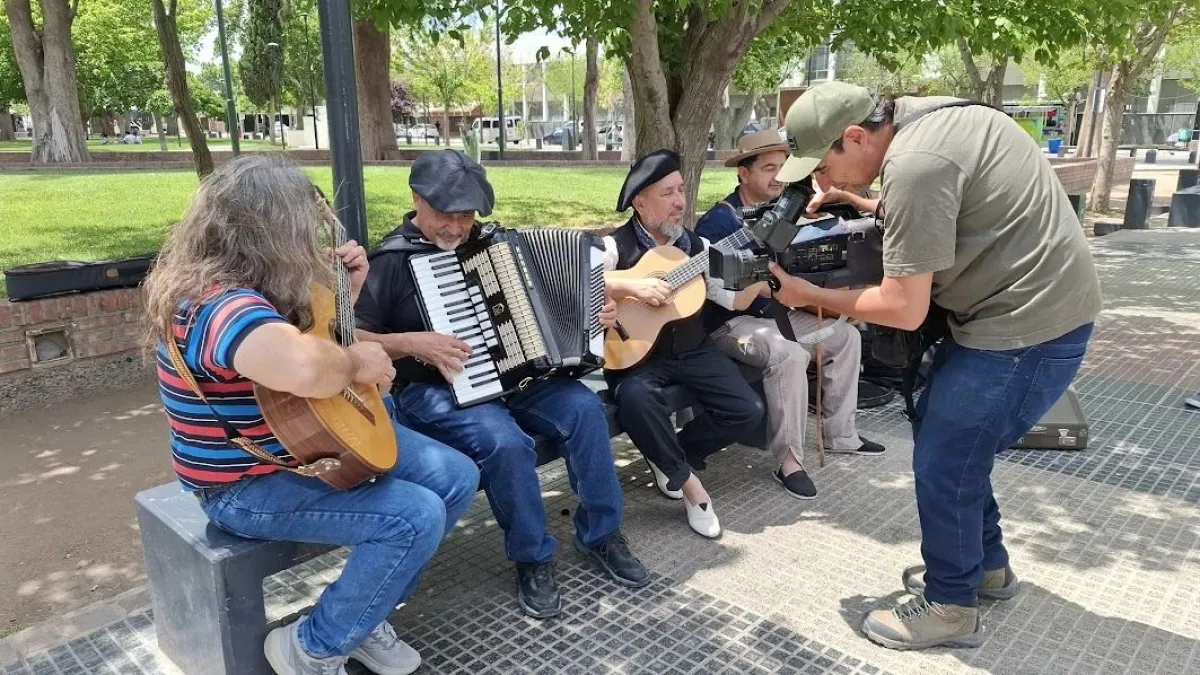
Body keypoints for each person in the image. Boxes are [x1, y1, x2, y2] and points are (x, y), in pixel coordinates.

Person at [769, 82, 1101, 649]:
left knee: (946, 459)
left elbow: (902, 306)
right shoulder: (937, 120)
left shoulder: (915, 163)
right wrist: (869, 206)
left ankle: (951, 605)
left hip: (1023, 329)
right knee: (957, 447)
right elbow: (961, 211)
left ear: (855, 136)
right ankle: (984, 568)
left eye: (826, 164)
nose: (824, 180)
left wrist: (807, 297)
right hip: (1034, 311)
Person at [142, 155, 481, 675]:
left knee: (455, 475)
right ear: (270, 230)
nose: (312, 240)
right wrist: (359, 362)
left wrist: (348, 294)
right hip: (243, 485)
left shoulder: (258, 284)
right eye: (304, 227)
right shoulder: (217, 304)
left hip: (298, 444)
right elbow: (304, 367)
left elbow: (317, 340)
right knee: (413, 516)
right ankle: (312, 647)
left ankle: (364, 616)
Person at [355, 149, 650, 621]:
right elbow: (353, 339)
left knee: (585, 410)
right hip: (433, 389)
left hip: (516, 378)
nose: (456, 228)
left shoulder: (495, 245)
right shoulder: (388, 261)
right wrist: (413, 342)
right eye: (444, 216)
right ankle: (533, 558)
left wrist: (597, 314)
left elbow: (563, 300)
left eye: (467, 216)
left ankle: (601, 534)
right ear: (415, 199)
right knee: (506, 443)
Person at [695, 129, 886, 501]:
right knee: (788, 353)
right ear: (743, 174)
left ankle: (839, 435)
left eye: (783, 168)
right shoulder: (719, 222)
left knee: (846, 337)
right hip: (729, 323)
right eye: (768, 168)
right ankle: (789, 462)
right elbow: (717, 293)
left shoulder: (784, 211)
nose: (778, 177)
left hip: (776, 314)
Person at [603, 148, 768, 539]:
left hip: (693, 350)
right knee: (636, 398)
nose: (680, 201)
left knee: (748, 410)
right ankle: (692, 489)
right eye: (667, 193)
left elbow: (730, 300)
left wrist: (762, 276)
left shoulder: (697, 248)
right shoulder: (614, 247)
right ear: (640, 202)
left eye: (681, 190)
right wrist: (631, 285)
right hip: (636, 355)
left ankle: (673, 455)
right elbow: (572, 279)